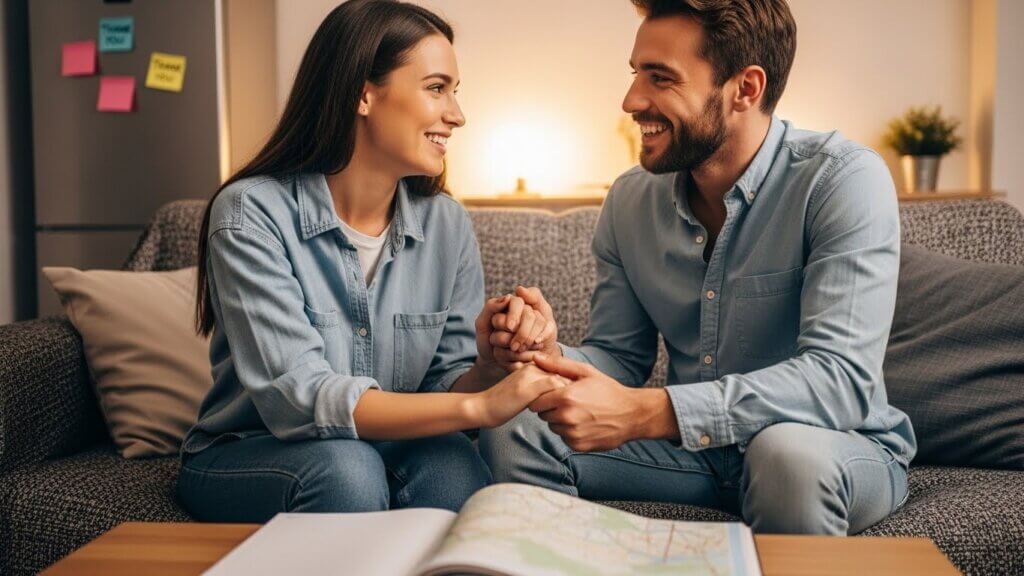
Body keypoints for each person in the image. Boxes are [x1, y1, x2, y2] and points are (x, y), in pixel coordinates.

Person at [479, 0, 916, 535]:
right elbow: (618, 354)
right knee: (516, 421)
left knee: (786, 455)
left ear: (745, 89)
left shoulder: (841, 180)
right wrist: (548, 357)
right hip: (692, 457)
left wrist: (650, 413)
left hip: (829, 445)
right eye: (636, 74)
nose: (631, 100)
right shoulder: (629, 200)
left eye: (660, 78)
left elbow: (839, 380)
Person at [176, 0, 559, 522]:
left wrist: (489, 365)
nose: (458, 114)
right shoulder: (250, 214)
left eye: (455, 91)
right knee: (345, 470)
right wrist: (479, 406)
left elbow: (442, 387)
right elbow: (300, 398)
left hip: (387, 445)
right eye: (436, 87)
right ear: (364, 92)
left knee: (457, 473)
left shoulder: (445, 224)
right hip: (250, 450)